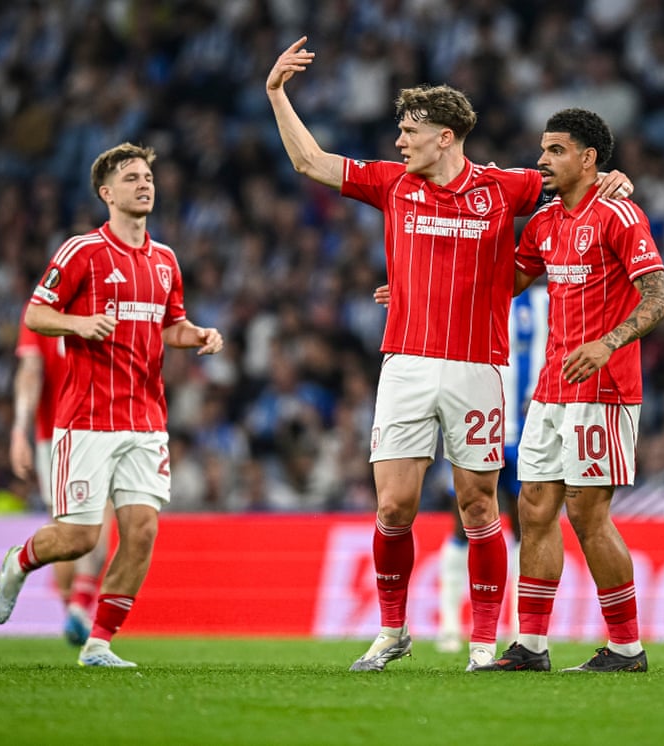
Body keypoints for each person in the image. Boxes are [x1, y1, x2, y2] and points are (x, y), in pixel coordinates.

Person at [266, 38, 633, 672]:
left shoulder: (505, 188)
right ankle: (391, 631)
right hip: (405, 362)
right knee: (392, 507)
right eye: (398, 132)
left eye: (410, 131)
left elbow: (575, 177)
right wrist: (276, 92)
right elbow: (311, 162)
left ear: (446, 136)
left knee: (479, 506)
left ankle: (485, 645)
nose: (400, 142)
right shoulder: (390, 183)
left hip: (478, 368)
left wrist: (617, 179)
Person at [0, 142, 224, 667]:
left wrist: (200, 334)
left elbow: (172, 327)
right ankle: (18, 563)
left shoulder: (165, 261)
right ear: (107, 193)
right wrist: (77, 323)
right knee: (77, 538)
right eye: (133, 178)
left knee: (141, 531)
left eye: (148, 178)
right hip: (88, 420)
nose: (145, 185)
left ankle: (99, 643)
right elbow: (34, 315)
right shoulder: (81, 252)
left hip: (146, 421)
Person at [474, 107, 664, 673]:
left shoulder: (619, 214)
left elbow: (658, 300)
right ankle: (531, 646)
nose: (542, 159)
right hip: (551, 388)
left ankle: (626, 649)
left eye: (555, 149)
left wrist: (608, 344)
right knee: (533, 509)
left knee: (588, 516)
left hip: (604, 388)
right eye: (542, 148)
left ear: (588, 158)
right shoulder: (542, 222)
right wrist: (425, 283)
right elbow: (505, 283)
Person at [437, 284, 548, 654]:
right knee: (463, 523)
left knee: (525, 528)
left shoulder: (548, 300)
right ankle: (450, 625)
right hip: (480, 423)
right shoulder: (475, 295)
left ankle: (519, 627)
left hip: (531, 428)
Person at [10, 310, 112, 646]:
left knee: (70, 526)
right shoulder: (102, 299)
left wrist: (19, 429)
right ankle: (78, 608)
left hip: (60, 436)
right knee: (92, 520)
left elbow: (30, 371)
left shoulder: (41, 308)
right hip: (83, 428)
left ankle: (75, 610)